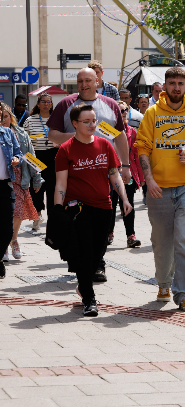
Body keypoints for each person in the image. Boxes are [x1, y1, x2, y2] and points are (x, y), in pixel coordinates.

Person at [135, 67, 185, 310]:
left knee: (184, 241)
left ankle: (184, 294)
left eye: (180, 83)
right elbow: (142, 147)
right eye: (172, 83)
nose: (176, 87)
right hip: (159, 189)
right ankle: (164, 283)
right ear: (165, 86)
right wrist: (149, 180)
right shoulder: (153, 113)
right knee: (161, 241)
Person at [47, 68, 131, 283]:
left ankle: (97, 263)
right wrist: (78, 136)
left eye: (88, 80)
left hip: (105, 174)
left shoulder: (110, 105)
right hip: (75, 176)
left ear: (97, 81)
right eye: (80, 81)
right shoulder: (66, 104)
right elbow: (52, 135)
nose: (83, 84)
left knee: (104, 222)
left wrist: (126, 166)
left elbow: (120, 136)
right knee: (78, 222)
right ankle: (81, 261)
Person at [54, 104, 132, 316]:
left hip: (104, 206)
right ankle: (89, 298)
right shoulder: (66, 149)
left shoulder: (105, 145)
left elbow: (114, 175)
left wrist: (124, 198)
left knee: (98, 253)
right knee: (85, 252)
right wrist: (57, 210)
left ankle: (83, 286)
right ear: (75, 124)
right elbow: (61, 183)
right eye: (87, 121)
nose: (92, 125)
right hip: (78, 209)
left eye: (94, 120)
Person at [0, 103, 43, 262]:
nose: (3, 120)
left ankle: (14, 239)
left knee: (17, 212)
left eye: (6, 116)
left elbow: (31, 157)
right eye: (1, 116)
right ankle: (5, 243)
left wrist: (37, 179)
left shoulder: (21, 134)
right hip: (6, 178)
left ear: (10, 117)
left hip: (21, 178)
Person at [108, 101, 145, 248]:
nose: (123, 113)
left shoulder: (132, 131)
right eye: (120, 110)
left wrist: (141, 178)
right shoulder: (106, 131)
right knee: (110, 205)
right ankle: (108, 233)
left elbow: (137, 156)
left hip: (127, 174)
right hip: (110, 174)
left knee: (128, 204)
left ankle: (131, 235)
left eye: (125, 110)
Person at [23, 93, 57, 230]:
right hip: (37, 157)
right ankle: (37, 216)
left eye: (49, 101)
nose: (46, 104)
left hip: (54, 156)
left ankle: (53, 219)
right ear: (38, 104)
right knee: (36, 188)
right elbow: (24, 141)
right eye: (43, 101)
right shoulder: (30, 120)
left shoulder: (56, 119)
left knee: (53, 188)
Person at [0, 117, 22, 279]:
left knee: (7, 229)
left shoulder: (7, 133)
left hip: (5, 185)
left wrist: (17, 159)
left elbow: (18, 153)